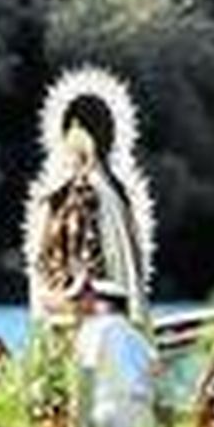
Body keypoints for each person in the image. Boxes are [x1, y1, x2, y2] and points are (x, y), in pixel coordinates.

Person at [34, 120, 148, 322]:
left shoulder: (94, 195)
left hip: (93, 292)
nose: (64, 165)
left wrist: (79, 286)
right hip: (66, 286)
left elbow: (92, 248)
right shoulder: (58, 200)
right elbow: (47, 251)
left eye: (70, 159)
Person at [70, 275, 157, 427]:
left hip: (108, 410)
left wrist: (79, 419)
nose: (80, 305)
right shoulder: (135, 334)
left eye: (85, 299)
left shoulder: (93, 327)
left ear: (100, 302)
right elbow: (157, 368)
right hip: (142, 412)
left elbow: (87, 373)